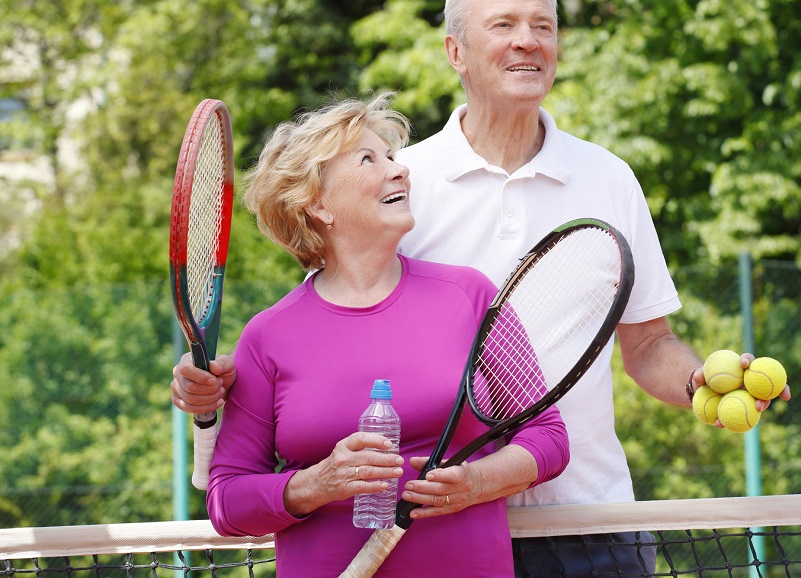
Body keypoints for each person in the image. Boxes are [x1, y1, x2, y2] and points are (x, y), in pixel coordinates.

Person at [173, 0, 791, 577]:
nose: (528, 40)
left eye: (543, 26)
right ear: (456, 51)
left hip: (588, 518)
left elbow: (649, 343)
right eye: (504, 24)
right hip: (437, 534)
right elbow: (335, 329)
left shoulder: (609, 178)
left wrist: (700, 386)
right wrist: (229, 384)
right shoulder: (400, 185)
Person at [202, 92, 569, 577]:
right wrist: (317, 483)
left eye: (393, 157)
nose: (399, 170)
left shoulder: (469, 296)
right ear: (318, 204)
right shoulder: (268, 335)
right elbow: (226, 500)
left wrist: (476, 482)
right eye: (369, 159)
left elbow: (548, 437)